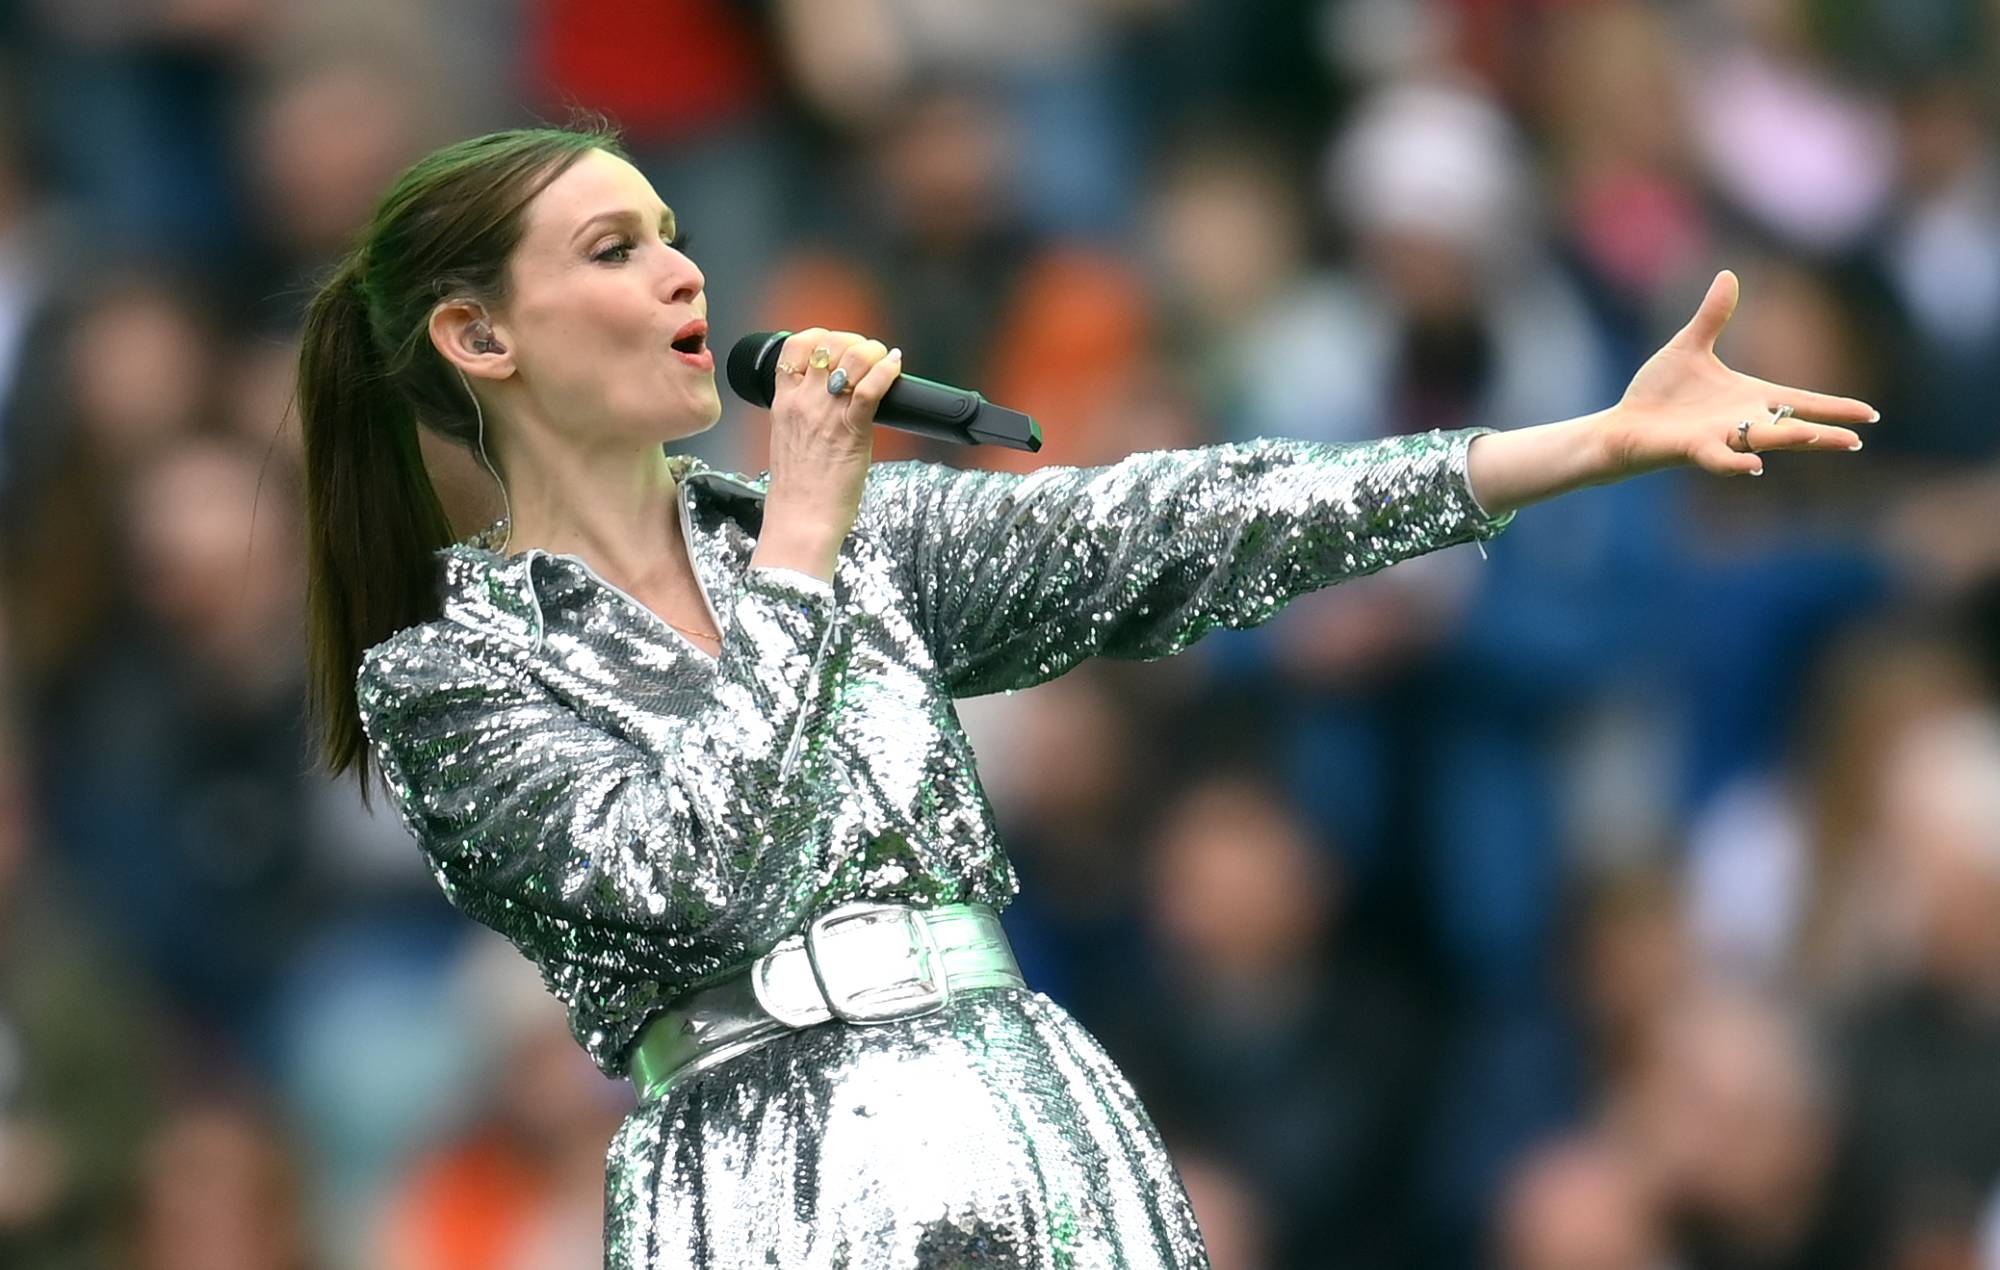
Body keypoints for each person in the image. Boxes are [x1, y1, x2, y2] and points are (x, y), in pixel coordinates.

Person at [296, 120, 1876, 1268]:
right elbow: (701, 868)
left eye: (673, 229)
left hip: (1018, 1109)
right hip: (761, 1174)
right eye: (613, 248)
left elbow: (1186, 521)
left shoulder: (856, 530)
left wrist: (1577, 445)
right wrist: (795, 543)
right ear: (475, 331)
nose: (682, 270)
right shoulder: (447, 674)